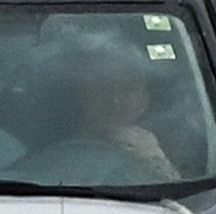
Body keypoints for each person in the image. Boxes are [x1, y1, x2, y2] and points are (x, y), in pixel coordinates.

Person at [43, 44, 185, 186]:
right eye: (104, 88)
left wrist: (153, 158)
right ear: (83, 94)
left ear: (145, 99)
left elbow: (183, 201)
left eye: (127, 89)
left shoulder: (182, 151)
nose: (114, 100)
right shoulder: (44, 158)